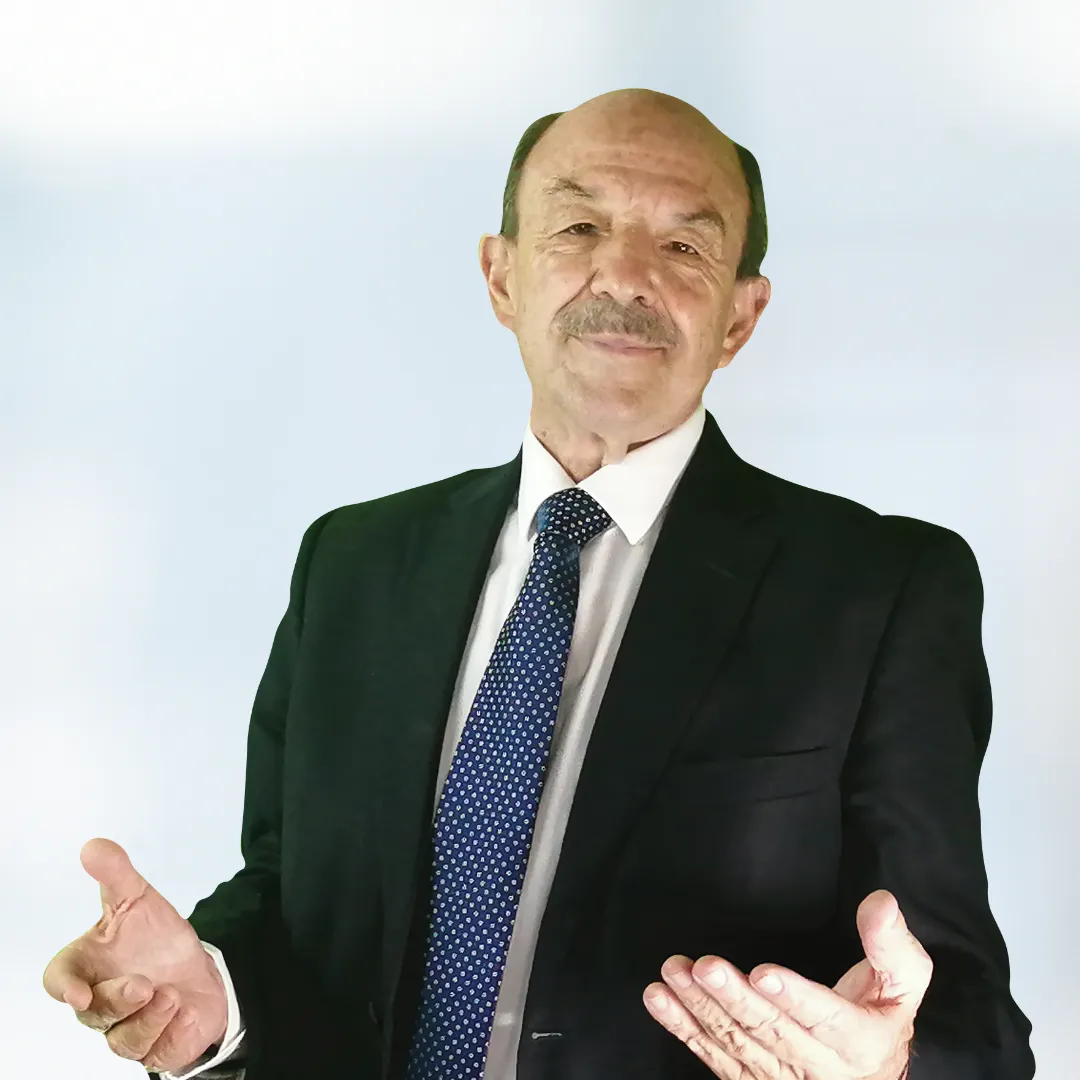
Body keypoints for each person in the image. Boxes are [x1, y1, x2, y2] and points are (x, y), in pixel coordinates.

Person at [42, 88, 1035, 1080]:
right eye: (579, 228)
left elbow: (965, 1019)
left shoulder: (878, 592)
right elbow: (291, 901)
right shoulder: (352, 564)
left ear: (740, 317)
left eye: (683, 246)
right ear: (501, 276)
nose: (627, 275)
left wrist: (893, 1063)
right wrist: (209, 996)